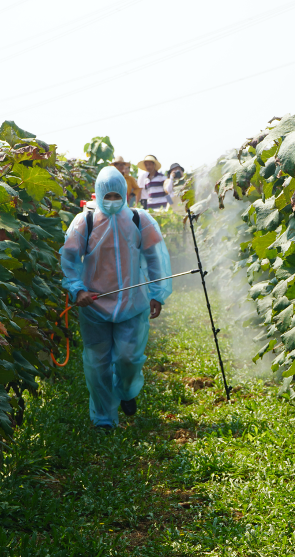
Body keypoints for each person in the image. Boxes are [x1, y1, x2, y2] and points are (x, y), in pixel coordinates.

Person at [60, 166, 173, 429]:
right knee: (97, 365)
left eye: (116, 196)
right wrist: (78, 289)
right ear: (99, 194)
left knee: (128, 358)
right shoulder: (84, 222)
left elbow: (155, 258)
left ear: (124, 193)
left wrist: (157, 293)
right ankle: (103, 420)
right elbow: (69, 260)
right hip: (94, 306)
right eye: (107, 196)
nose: (111, 201)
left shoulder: (139, 219)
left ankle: (126, 391)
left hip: (132, 304)